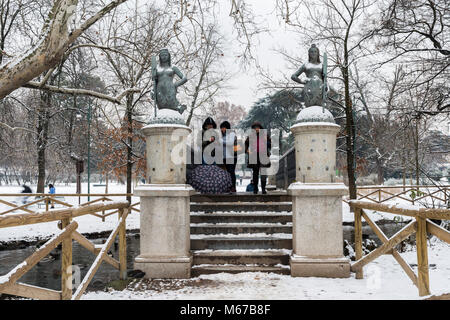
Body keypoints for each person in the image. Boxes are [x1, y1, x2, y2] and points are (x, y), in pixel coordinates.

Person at [151, 48, 188, 114]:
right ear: (160, 57)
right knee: (162, 107)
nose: (164, 57)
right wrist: (153, 91)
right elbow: (154, 81)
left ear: (168, 56)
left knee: (171, 105)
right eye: (162, 55)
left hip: (170, 88)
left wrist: (176, 84)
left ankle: (179, 108)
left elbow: (184, 78)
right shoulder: (156, 69)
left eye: (165, 55)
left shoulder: (173, 67)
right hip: (159, 90)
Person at [245, 121, 271, 194]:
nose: (256, 129)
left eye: (258, 128)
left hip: (263, 155)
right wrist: (246, 150)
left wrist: (266, 142)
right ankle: (255, 188)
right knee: (255, 173)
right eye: (255, 128)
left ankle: (263, 189)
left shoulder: (265, 135)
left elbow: (270, 145)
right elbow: (246, 144)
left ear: (260, 128)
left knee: (263, 173)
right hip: (254, 155)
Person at [220, 121, 238, 193]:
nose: (222, 129)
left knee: (231, 171)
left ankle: (233, 187)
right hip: (225, 157)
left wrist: (220, 141)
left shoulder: (232, 134)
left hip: (232, 156)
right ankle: (229, 187)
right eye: (221, 128)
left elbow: (230, 143)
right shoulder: (223, 136)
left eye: (223, 128)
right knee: (228, 173)